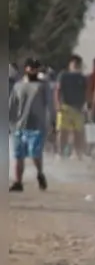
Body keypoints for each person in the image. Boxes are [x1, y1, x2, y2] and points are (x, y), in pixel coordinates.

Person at [9, 58, 52, 192]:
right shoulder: (17, 86)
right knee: (18, 156)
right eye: (31, 67)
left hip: (37, 126)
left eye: (36, 67)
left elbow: (50, 105)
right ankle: (18, 182)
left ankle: (40, 174)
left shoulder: (43, 86)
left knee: (35, 153)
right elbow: (11, 106)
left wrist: (52, 122)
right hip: (19, 126)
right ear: (26, 68)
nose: (33, 69)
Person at [54, 54, 88, 159]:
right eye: (73, 63)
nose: (75, 65)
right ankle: (60, 153)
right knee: (63, 132)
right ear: (70, 64)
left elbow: (86, 92)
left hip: (78, 108)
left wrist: (85, 105)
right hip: (65, 107)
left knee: (78, 132)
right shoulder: (63, 75)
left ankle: (77, 153)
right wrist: (57, 104)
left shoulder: (82, 77)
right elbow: (57, 90)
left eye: (77, 63)